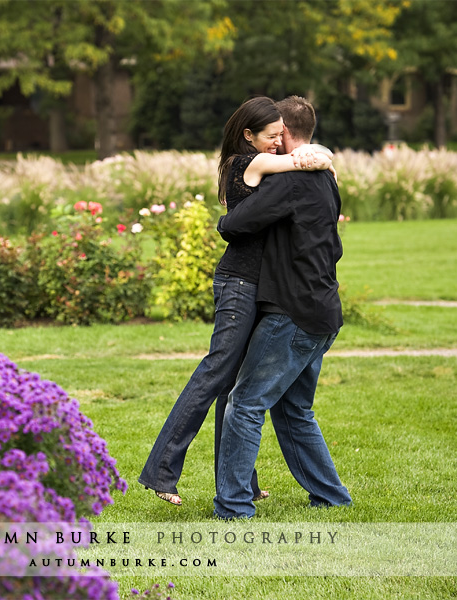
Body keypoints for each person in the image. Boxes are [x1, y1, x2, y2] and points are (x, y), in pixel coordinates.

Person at [138, 96, 334, 506]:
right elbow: (301, 162)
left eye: (281, 135)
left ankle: (239, 485)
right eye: (270, 135)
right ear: (248, 135)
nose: (276, 142)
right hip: (239, 283)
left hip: (254, 284)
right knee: (216, 374)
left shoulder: (256, 161)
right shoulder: (250, 162)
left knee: (233, 388)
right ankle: (161, 470)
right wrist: (320, 154)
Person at [213, 95, 351, 520]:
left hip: (292, 312)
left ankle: (234, 506)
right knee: (293, 409)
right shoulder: (325, 177)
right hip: (323, 309)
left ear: (285, 134)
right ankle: (331, 496)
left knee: (246, 403)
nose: (270, 142)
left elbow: (232, 225)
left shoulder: (290, 180)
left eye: (275, 133)